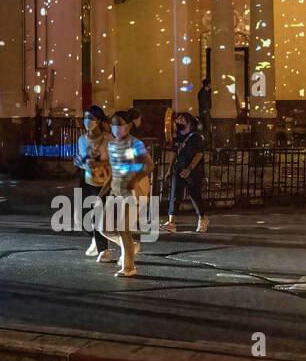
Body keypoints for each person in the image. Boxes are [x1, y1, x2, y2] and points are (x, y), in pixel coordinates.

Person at [102, 110, 153, 278]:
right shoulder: (111, 145)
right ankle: (131, 245)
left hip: (133, 189)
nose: (117, 127)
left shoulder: (135, 143)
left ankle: (129, 267)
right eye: (114, 124)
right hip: (116, 187)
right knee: (104, 227)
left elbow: (149, 165)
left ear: (129, 125)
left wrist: (134, 179)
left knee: (123, 228)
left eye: (120, 124)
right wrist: (104, 190)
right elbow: (114, 169)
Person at [74, 105, 112, 262]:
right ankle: (96, 240)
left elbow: (114, 160)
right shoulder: (82, 139)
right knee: (80, 218)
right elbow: (82, 159)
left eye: (91, 118)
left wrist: (99, 164)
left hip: (104, 182)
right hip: (86, 180)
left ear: (99, 120)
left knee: (98, 217)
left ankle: (105, 250)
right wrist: (80, 162)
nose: (87, 121)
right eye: (85, 117)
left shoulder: (108, 139)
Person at [163, 112, 209, 234]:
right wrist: (169, 169)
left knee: (194, 195)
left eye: (182, 119)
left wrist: (189, 169)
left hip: (193, 171)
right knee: (174, 195)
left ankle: (202, 218)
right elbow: (174, 153)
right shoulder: (177, 136)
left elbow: (199, 154)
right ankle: (171, 222)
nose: (178, 121)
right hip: (178, 169)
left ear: (189, 122)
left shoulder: (196, 137)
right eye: (178, 119)